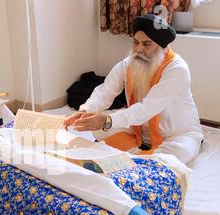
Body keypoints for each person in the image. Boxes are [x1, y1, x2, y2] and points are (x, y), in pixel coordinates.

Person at [64, 14, 203, 164]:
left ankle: (136, 156)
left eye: (146, 44)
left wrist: (107, 120)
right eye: (136, 42)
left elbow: (147, 108)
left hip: (175, 134)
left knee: (180, 151)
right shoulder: (127, 64)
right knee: (97, 127)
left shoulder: (177, 69)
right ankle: (141, 156)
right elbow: (105, 91)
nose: (139, 49)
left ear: (162, 47)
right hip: (138, 131)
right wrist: (84, 112)